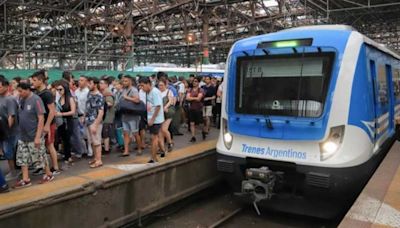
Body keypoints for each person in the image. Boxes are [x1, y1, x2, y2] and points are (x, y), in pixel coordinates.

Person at [15, 82, 54, 188]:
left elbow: (41, 118)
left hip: (34, 134)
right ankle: (25, 179)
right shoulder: (21, 100)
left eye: (21, 91)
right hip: (23, 135)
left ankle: (48, 174)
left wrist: (38, 136)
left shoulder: (36, 100)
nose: (19, 93)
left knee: (40, 155)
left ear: (27, 89)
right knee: (23, 157)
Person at [31, 71, 61, 175]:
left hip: (48, 124)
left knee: (50, 145)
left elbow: (52, 111)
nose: (32, 82)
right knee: (40, 146)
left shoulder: (47, 94)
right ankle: (41, 166)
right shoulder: (37, 92)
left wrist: (47, 125)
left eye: (34, 80)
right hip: (40, 123)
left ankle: (56, 167)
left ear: (41, 81)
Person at [139, 77, 165, 163]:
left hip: (155, 119)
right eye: (140, 86)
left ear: (148, 84)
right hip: (151, 118)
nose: (142, 88)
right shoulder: (148, 92)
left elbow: (158, 106)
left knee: (153, 138)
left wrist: (152, 119)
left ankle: (153, 158)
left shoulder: (155, 92)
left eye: (143, 86)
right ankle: (162, 150)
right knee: (156, 137)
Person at [0, 77, 19, 180]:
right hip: (2, 130)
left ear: (6, 87)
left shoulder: (10, 99)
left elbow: (11, 116)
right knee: (7, 152)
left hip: (10, 132)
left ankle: (13, 172)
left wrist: (7, 130)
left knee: (9, 152)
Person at [120, 75, 143, 157]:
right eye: (123, 81)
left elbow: (137, 100)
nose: (124, 82)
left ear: (130, 81)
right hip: (125, 114)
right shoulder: (124, 90)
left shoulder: (134, 90)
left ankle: (139, 148)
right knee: (126, 133)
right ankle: (126, 151)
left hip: (133, 115)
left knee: (135, 133)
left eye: (126, 81)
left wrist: (127, 97)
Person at [55, 82, 77, 165]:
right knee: (63, 139)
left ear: (65, 89)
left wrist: (62, 114)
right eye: (57, 90)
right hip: (61, 122)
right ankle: (66, 155)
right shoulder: (60, 99)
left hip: (68, 121)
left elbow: (73, 111)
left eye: (60, 89)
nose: (59, 91)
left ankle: (69, 156)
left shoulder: (70, 99)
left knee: (68, 138)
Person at [85, 77, 104, 168]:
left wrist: (95, 125)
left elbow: (101, 112)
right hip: (88, 120)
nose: (88, 85)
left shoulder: (99, 96)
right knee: (92, 141)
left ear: (95, 84)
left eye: (90, 83)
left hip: (95, 121)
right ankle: (95, 158)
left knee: (97, 142)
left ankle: (99, 160)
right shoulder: (89, 93)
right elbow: (87, 106)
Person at [75, 75, 91, 157]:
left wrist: (84, 116)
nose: (79, 81)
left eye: (82, 80)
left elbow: (88, 105)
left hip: (86, 115)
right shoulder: (76, 91)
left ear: (86, 82)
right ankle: (83, 150)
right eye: (79, 80)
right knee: (79, 135)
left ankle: (90, 151)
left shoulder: (88, 92)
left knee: (87, 134)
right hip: (78, 115)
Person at [99, 78, 115, 154]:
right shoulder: (103, 93)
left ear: (106, 84)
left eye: (102, 83)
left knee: (106, 133)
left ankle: (106, 149)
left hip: (107, 117)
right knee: (104, 133)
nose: (100, 85)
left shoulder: (107, 93)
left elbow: (110, 104)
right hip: (104, 116)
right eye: (100, 83)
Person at [186, 77, 204, 142]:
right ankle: (193, 136)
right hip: (191, 109)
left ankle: (203, 131)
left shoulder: (201, 90)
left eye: (196, 81)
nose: (194, 82)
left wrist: (191, 98)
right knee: (192, 123)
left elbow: (199, 99)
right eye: (193, 81)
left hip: (198, 109)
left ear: (198, 82)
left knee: (200, 124)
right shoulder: (189, 90)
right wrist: (195, 98)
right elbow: (187, 98)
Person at [158, 79, 175, 152]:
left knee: (164, 129)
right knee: (160, 131)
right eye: (159, 85)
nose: (160, 86)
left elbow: (170, 101)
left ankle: (170, 142)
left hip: (168, 112)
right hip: (159, 113)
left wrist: (165, 107)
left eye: (162, 85)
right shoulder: (157, 92)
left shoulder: (169, 91)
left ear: (165, 85)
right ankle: (161, 148)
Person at [201, 75, 216, 140]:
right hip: (203, 104)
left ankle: (206, 129)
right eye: (206, 79)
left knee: (207, 117)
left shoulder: (212, 88)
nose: (206, 80)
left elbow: (214, 96)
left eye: (208, 79)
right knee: (204, 117)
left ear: (210, 80)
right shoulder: (202, 87)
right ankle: (206, 126)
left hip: (209, 104)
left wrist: (208, 98)